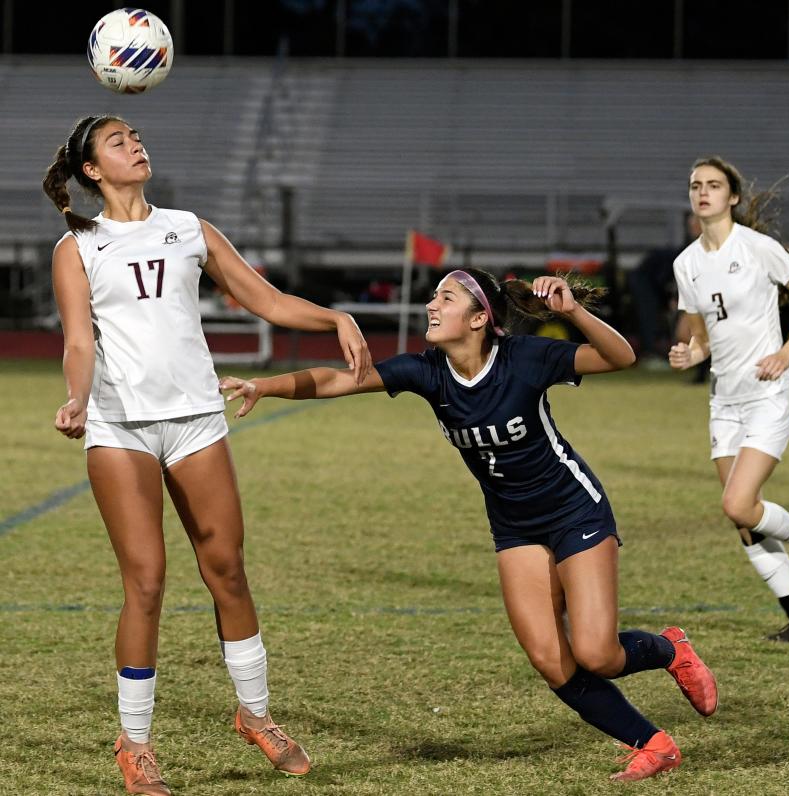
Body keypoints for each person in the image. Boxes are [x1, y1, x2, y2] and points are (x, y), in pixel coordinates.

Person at [220, 268, 718, 782]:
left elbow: (621, 357)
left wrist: (572, 312)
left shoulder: (525, 357)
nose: (431, 305)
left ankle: (669, 648)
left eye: (447, 298)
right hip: (514, 529)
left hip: (575, 511)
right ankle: (653, 744)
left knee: (597, 653)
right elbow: (337, 379)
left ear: (480, 318)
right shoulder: (428, 371)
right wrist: (265, 385)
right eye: (434, 296)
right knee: (552, 661)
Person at [43, 115, 372, 795]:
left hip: (196, 419)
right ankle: (134, 744)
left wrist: (335, 317)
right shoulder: (76, 246)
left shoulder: (191, 227)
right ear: (93, 172)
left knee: (226, 569)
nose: (136, 144)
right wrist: (77, 398)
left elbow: (268, 301)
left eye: (135, 134)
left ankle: (255, 715)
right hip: (121, 425)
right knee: (148, 581)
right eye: (117, 142)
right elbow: (79, 341)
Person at [669, 156, 789, 643]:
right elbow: (704, 337)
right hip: (724, 400)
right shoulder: (687, 264)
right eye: (695, 185)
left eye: (714, 185)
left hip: (768, 395)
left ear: (733, 197)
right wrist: (690, 353)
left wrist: (787, 352)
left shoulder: (759, 248)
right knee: (744, 521)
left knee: (739, 504)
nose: (703, 192)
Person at [627, 211, 701, 369]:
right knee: (684, 333)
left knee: (690, 333)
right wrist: (671, 297)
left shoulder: (702, 248)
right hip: (651, 282)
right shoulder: (689, 251)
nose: (692, 225)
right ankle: (652, 353)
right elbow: (670, 276)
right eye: (692, 222)